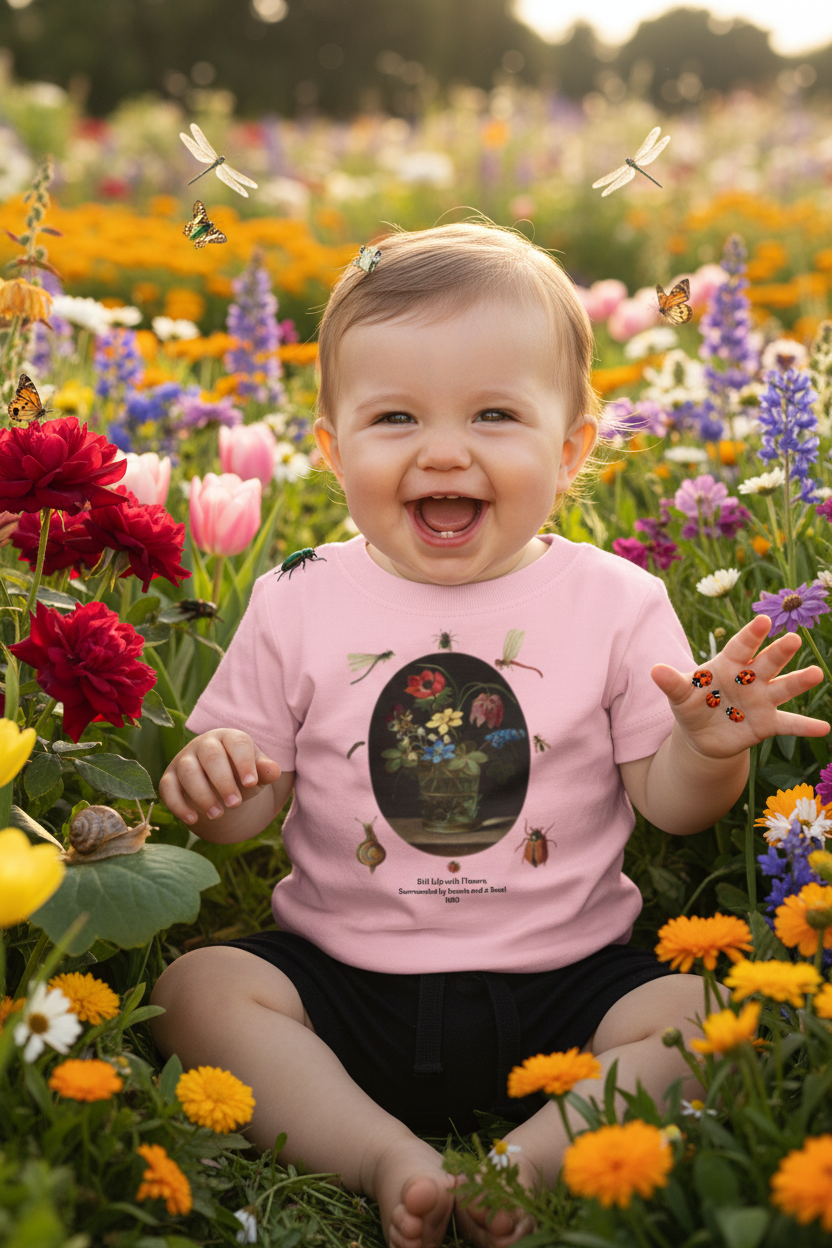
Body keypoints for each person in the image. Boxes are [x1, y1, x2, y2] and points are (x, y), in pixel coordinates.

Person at [151, 223, 828, 1248]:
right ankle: (381, 1151)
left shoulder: (615, 599)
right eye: (395, 417)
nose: (444, 449)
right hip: (345, 980)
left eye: (494, 414)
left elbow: (672, 806)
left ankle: (527, 1162)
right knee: (197, 990)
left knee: (702, 1020)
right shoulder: (296, 596)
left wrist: (708, 748)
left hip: (566, 982)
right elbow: (247, 814)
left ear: (570, 449)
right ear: (331, 449)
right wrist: (215, 774)